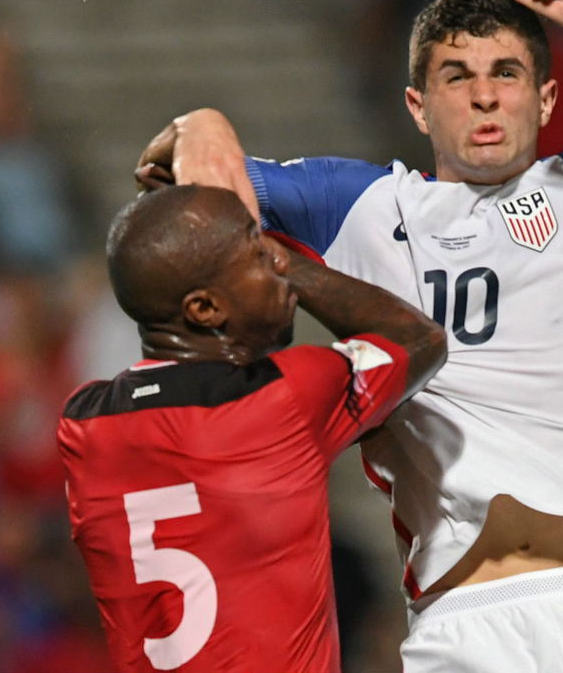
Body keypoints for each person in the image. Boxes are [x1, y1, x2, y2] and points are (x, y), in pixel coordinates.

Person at [138, 0, 563, 672]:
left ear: (545, 98)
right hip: (460, 627)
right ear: (417, 104)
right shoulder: (355, 206)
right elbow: (190, 171)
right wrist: (204, 123)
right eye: (456, 76)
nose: (484, 95)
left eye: (506, 73)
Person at [59, 184, 448, 672]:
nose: (277, 268)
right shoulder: (285, 398)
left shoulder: (83, 424)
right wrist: (301, 267)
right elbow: (419, 339)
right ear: (204, 309)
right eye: (259, 254)